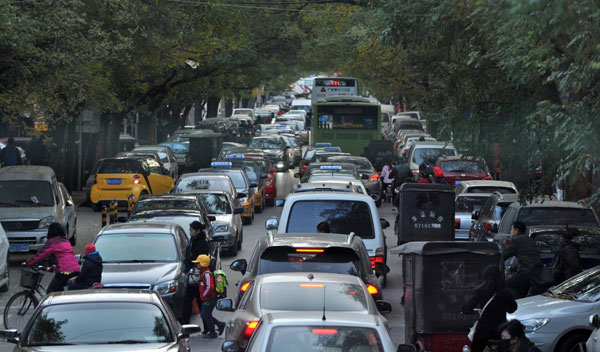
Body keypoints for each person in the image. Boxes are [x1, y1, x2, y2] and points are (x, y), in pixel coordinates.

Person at [462, 265, 517, 352]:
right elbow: (513, 308)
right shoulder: (505, 292)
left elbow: (468, 307)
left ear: (485, 277)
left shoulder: (480, 291)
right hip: (500, 331)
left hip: (483, 331)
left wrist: (466, 310)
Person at [25, 223, 80, 293]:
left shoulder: (52, 242)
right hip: (76, 270)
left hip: (64, 272)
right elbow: (64, 259)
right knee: (59, 292)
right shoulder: (66, 241)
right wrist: (52, 268)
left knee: (50, 293)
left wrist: (29, 263)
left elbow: (41, 255)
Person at [502, 221, 544, 298]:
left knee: (508, 284)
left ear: (516, 230)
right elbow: (526, 256)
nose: (510, 232)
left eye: (511, 229)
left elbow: (504, 256)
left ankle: (515, 304)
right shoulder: (529, 239)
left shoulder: (516, 241)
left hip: (527, 273)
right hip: (537, 273)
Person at [182, 221, 211, 325]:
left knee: (197, 301)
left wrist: (192, 260)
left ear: (197, 231)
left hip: (198, 275)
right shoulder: (193, 240)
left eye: (191, 230)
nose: (190, 232)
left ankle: (208, 326)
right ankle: (206, 326)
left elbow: (201, 259)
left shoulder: (201, 242)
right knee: (191, 301)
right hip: (194, 275)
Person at [193, 254, 225, 338]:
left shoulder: (206, 274)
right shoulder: (203, 273)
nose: (197, 265)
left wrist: (204, 295)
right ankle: (219, 325)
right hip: (208, 298)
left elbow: (210, 287)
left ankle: (213, 332)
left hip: (209, 299)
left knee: (205, 315)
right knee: (206, 315)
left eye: (198, 263)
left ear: (203, 264)